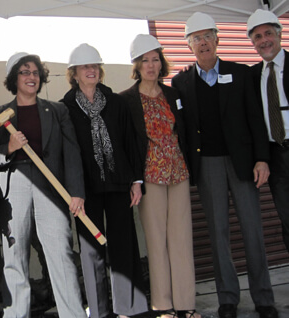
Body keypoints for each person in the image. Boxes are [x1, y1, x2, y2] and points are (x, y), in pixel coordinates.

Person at [171, 12, 277, 318]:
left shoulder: (241, 73)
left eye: (207, 36)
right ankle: (227, 298)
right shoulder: (180, 81)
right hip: (207, 165)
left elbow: (256, 119)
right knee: (218, 234)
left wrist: (262, 158)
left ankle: (264, 298)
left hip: (243, 163)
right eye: (196, 39)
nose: (203, 43)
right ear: (189, 46)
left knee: (252, 230)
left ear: (218, 39)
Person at [0, 52, 87, 318]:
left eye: (35, 73)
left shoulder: (57, 110)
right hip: (13, 184)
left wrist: (76, 193)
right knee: (14, 256)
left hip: (51, 186)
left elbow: (72, 153)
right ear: (13, 78)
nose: (31, 77)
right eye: (24, 72)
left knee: (61, 254)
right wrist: (8, 146)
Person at [61, 43, 147, 318]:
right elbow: (65, 152)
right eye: (85, 66)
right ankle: (99, 311)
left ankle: (129, 308)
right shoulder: (64, 108)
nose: (91, 70)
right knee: (90, 250)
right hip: (85, 190)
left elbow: (130, 142)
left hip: (119, 182)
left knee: (124, 244)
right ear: (73, 73)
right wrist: (73, 191)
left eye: (95, 66)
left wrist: (136, 181)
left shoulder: (117, 102)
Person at [120, 34, 199, 318]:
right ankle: (163, 306)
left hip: (178, 172)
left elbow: (185, 133)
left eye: (155, 59)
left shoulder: (174, 95)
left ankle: (186, 305)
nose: (151, 66)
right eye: (145, 61)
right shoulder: (126, 101)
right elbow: (127, 144)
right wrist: (133, 180)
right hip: (149, 176)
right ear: (137, 65)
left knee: (181, 240)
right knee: (156, 241)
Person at [247, 9, 289, 255]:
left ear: (279, 34)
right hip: (275, 156)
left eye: (268, 34)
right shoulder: (252, 76)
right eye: (258, 37)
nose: (264, 40)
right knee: (287, 220)